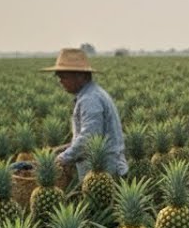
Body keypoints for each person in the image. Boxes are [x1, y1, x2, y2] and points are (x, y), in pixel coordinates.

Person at [41, 48, 128, 181]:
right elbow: (88, 135)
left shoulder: (90, 99)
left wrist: (61, 159)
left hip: (105, 174)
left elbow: (88, 138)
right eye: (58, 77)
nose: (60, 81)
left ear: (80, 76)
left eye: (63, 76)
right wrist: (61, 149)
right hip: (101, 173)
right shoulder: (92, 94)